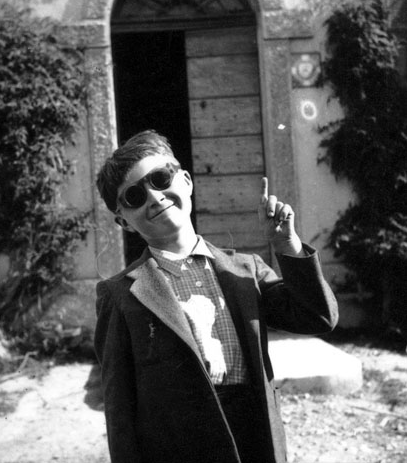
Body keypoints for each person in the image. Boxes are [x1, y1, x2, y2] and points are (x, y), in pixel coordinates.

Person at [94, 130, 339, 463]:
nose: (154, 197)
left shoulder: (245, 270)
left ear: (186, 181)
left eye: (160, 179)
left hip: (254, 437)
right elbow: (119, 410)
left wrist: (287, 246)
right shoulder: (121, 294)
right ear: (123, 221)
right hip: (182, 449)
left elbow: (318, 316)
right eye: (135, 196)